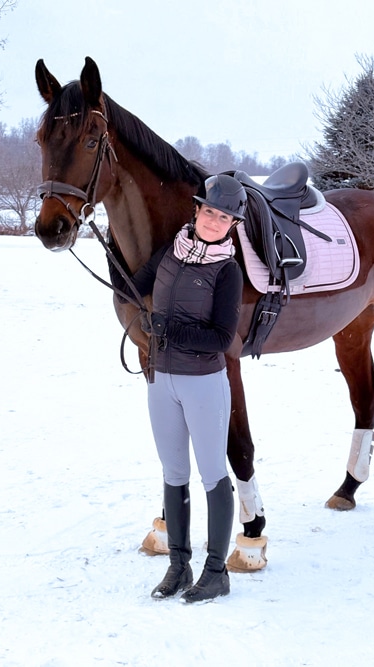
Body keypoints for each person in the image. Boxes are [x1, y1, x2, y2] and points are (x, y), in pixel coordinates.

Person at [109, 174, 247, 603]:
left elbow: (222, 340)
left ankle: (215, 572)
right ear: (197, 210)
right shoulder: (173, 248)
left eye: (223, 216)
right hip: (161, 382)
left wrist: (172, 330)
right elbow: (135, 284)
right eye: (209, 211)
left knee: (212, 474)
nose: (213, 221)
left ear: (233, 224)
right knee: (173, 474)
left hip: (203, 383)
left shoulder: (227, 271)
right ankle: (178, 565)